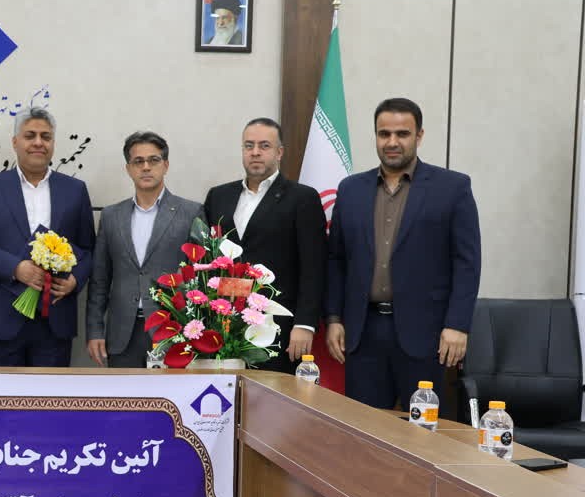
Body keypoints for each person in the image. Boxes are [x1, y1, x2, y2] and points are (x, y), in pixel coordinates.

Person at [325, 97, 481, 410]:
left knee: (423, 431)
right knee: (364, 428)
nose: (392, 142)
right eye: (384, 134)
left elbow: (467, 263)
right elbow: (336, 260)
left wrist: (457, 325)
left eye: (402, 134)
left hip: (426, 334)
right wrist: (333, 318)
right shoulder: (351, 189)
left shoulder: (452, 188)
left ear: (419, 136)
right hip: (363, 332)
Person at [0, 107, 95, 367]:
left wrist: (75, 280)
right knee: (0, 394)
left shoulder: (75, 190)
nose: (38, 143)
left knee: (51, 393)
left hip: (55, 320)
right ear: (15, 142)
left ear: (53, 143)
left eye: (46, 137)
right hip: (2, 319)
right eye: (30, 136)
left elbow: (88, 249)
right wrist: (15, 268)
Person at [204, 117, 327, 372]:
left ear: (279, 152)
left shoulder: (302, 198)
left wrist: (305, 324)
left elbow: (314, 268)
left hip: (279, 327)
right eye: (249, 146)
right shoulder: (218, 196)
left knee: (272, 396)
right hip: (224, 324)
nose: (255, 152)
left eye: (264, 146)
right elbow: (208, 259)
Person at [87, 132, 203, 368]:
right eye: (138, 161)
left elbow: (201, 275)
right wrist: (95, 330)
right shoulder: (111, 216)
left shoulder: (190, 213)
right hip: (122, 334)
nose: (146, 167)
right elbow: (100, 280)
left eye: (154, 160)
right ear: (129, 169)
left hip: (173, 331)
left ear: (166, 165)